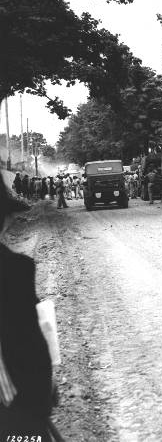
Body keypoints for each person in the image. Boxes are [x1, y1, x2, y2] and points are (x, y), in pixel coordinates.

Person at [0, 171, 55, 440]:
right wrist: (44, 399)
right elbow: (32, 353)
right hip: (12, 413)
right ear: (5, 219)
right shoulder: (13, 270)